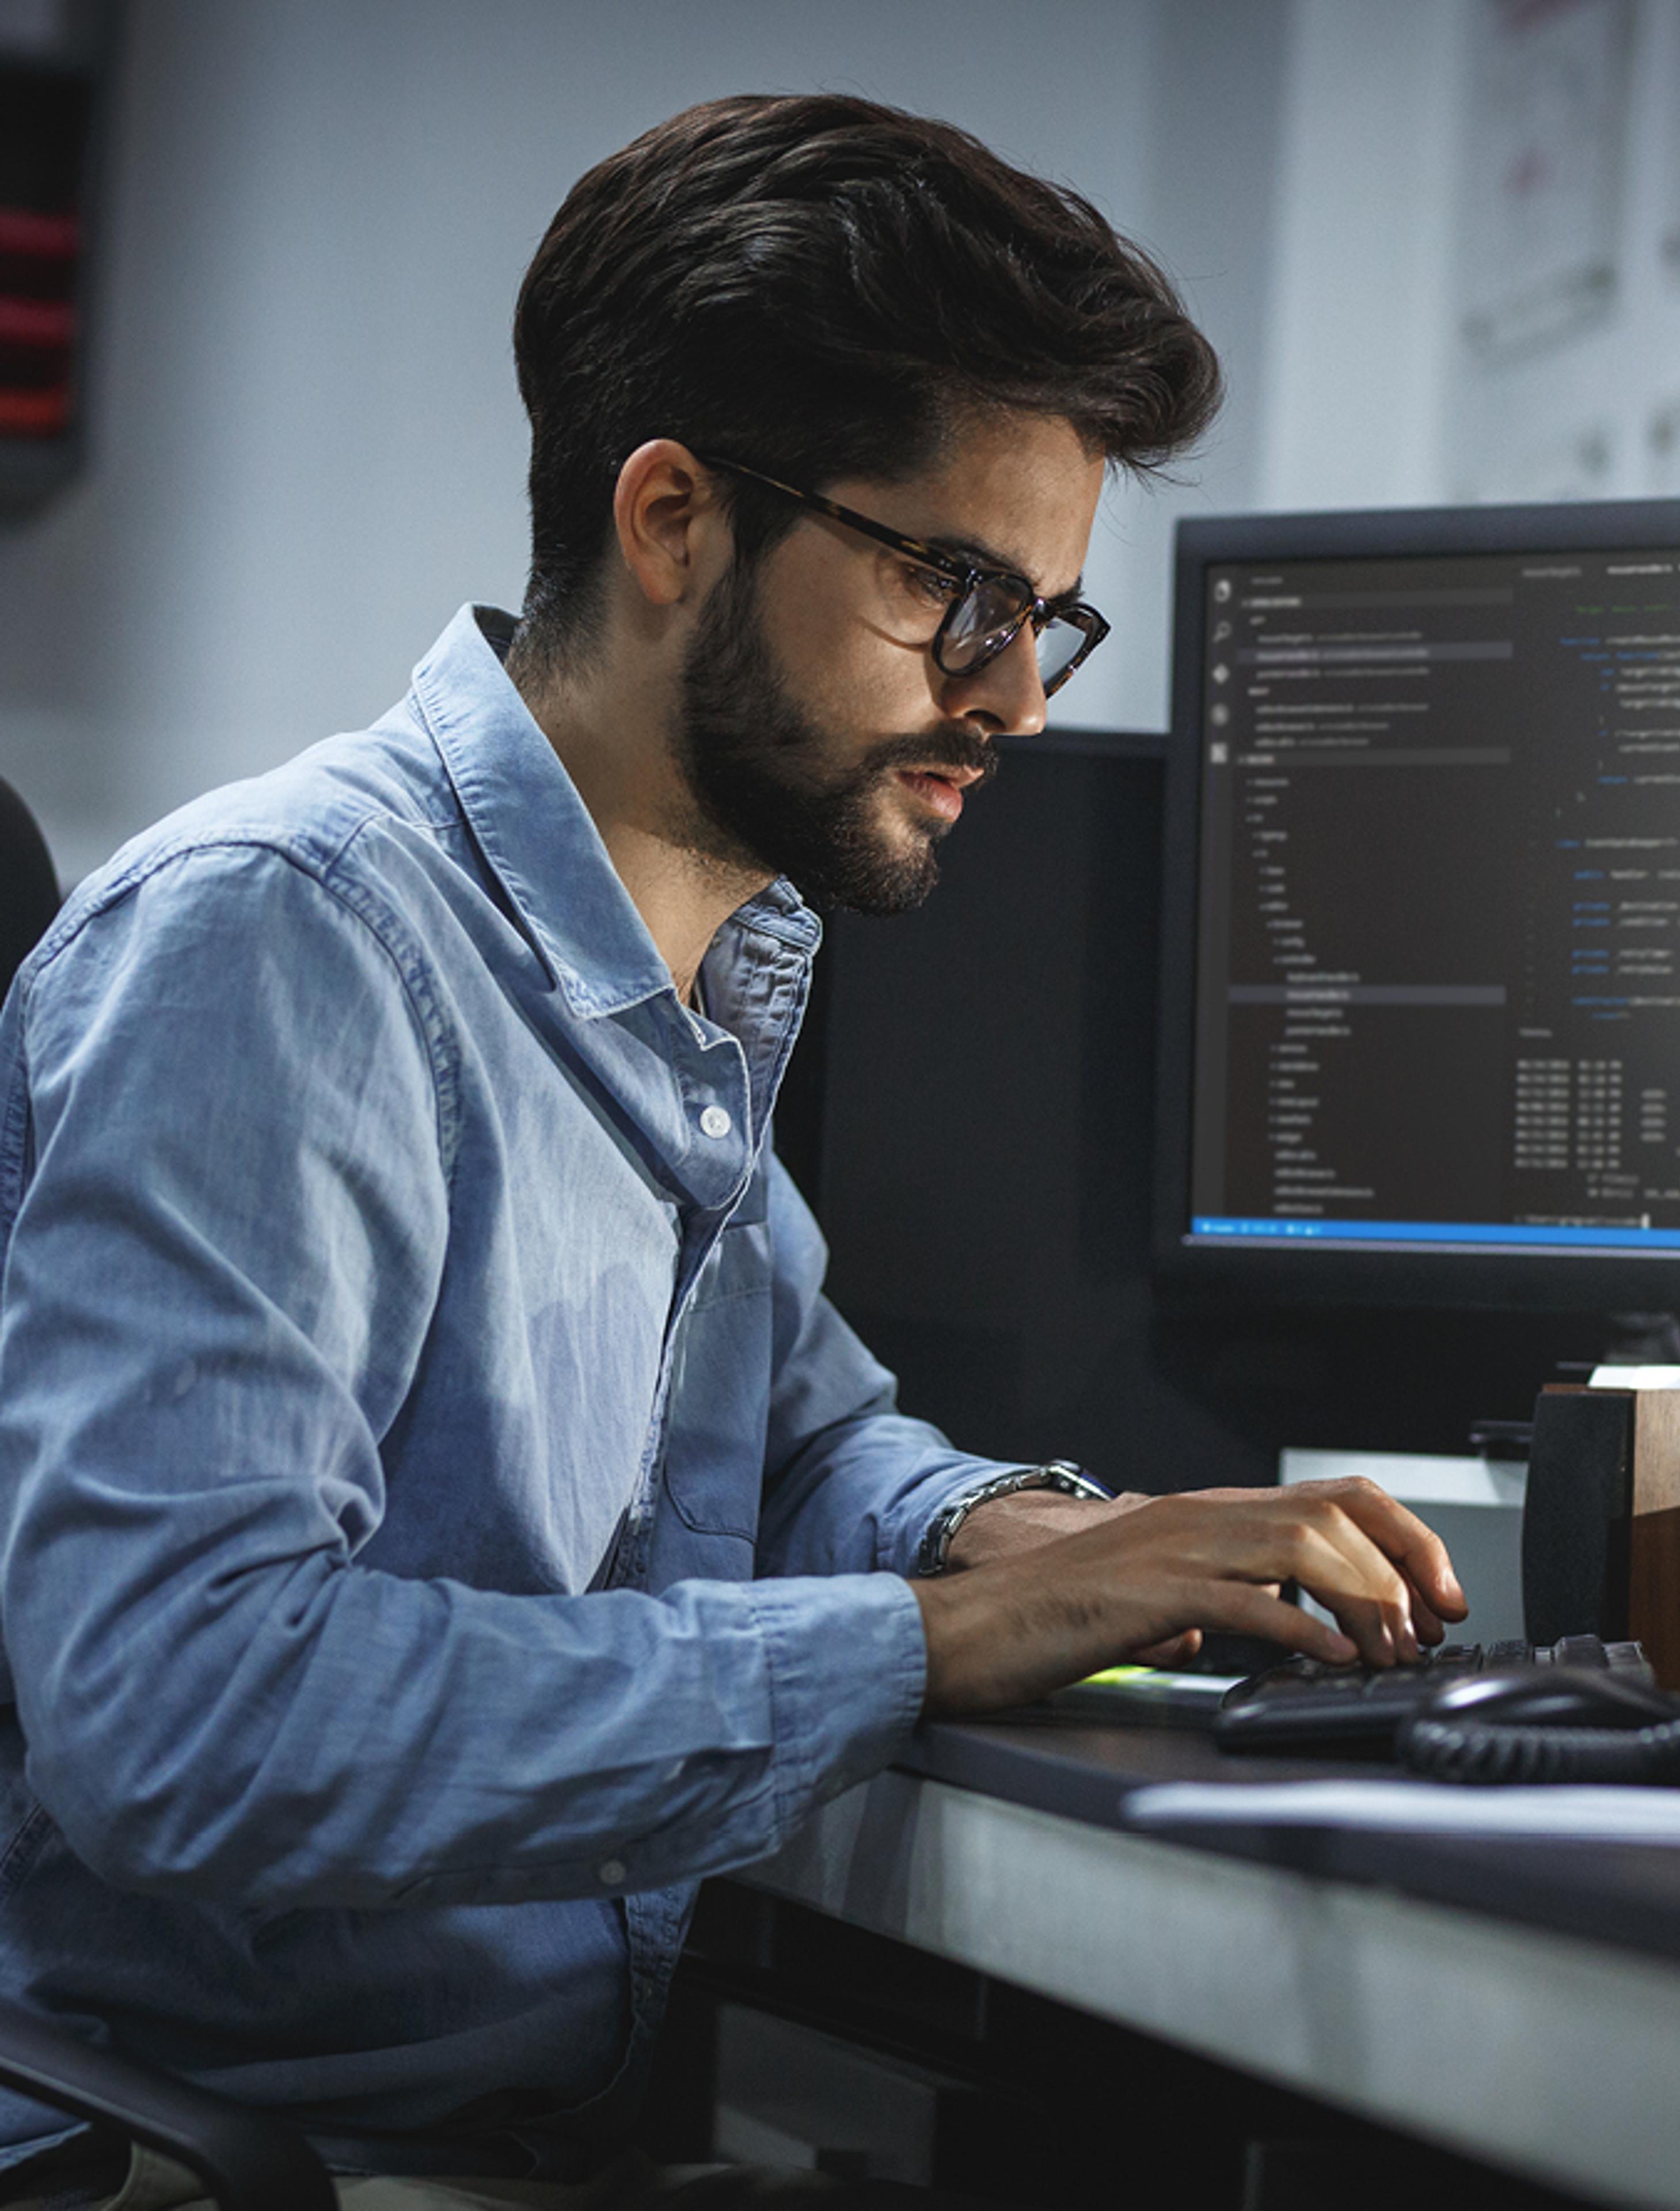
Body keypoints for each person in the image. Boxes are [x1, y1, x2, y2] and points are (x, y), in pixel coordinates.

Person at [0, 95, 1463, 2209]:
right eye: (955, 588)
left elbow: (784, 1453)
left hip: (509, 2127)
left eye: (1045, 614)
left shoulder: (700, 945)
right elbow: (188, 1709)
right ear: (674, 517)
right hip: (237, 2155)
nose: (1017, 700)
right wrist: (918, 1645)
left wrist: (1027, 1539)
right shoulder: (288, 946)